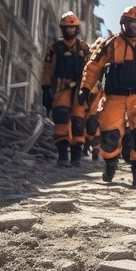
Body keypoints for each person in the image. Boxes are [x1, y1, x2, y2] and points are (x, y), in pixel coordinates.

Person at [80, 6, 136, 186]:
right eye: (131, 23)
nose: (134, 27)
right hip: (114, 97)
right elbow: (94, 66)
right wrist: (85, 88)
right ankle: (110, 164)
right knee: (109, 137)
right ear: (123, 24)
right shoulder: (111, 43)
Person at [41, 12, 91, 167]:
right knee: (61, 118)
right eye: (67, 28)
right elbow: (48, 69)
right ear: (63, 29)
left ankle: (76, 156)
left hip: (79, 88)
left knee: (77, 121)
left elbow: (91, 70)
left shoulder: (83, 48)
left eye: (72, 28)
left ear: (76, 29)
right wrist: (45, 89)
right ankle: (63, 155)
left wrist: (89, 90)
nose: (70, 31)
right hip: (61, 87)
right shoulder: (54, 47)